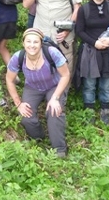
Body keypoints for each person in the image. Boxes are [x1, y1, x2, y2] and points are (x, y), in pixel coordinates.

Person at [5, 28, 71, 158]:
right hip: (32, 87)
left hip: (54, 85)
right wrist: (18, 104)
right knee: (26, 116)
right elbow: (9, 79)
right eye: (28, 42)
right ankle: (39, 138)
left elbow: (65, 75)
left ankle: (59, 149)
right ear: (23, 43)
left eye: (35, 42)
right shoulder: (18, 57)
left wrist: (55, 98)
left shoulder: (51, 53)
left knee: (54, 111)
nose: (32, 45)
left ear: (41, 43)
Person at [23, 0, 81, 77]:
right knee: (42, 69)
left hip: (63, 37)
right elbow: (26, 4)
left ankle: (62, 95)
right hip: (41, 36)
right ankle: (45, 94)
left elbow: (77, 7)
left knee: (65, 71)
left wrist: (67, 29)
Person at [75, 0, 109, 125]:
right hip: (90, 51)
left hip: (108, 51)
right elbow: (79, 31)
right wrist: (94, 43)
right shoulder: (84, 9)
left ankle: (105, 111)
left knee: (106, 84)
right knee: (89, 84)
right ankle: (89, 113)